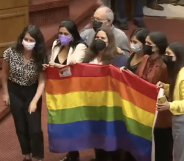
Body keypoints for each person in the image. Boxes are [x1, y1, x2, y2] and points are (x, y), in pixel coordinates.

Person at [2, 25, 48, 161]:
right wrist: (5, 93)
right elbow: (4, 74)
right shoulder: (10, 52)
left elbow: (42, 82)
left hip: (32, 91)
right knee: (20, 126)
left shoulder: (41, 56)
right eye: (26, 39)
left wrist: (34, 101)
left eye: (31, 40)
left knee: (34, 128)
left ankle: (39, 157)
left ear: (37, 42)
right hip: (14, 90)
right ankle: (26, 155)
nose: (27, 42)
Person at [82, 26, 127, 161]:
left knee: (111, 135)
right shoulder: (89, 56)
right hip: (92, 103)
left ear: (110, 41)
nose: (99, 40)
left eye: (103, 38)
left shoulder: (118, 58)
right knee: (96, 135)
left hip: (110, 105)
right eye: (97, 37)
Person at [134, 31, 173, 161]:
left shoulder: (166, 66)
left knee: (162, 149)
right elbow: (139, 79)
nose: (145, 46)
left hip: (161, 115)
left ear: (158, 47)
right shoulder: (145, 58)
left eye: (149, 44)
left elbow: (171, 90)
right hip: (145, 110)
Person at [156, 42, 184, 161]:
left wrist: (169, 105)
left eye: (169, 54)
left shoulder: (183, 76)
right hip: (178, 118)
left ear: (177, 56)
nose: (165, 57)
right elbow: (176, 91)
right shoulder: (178, 72)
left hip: (182, 119)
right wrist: (166, 87)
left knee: (180, 155)